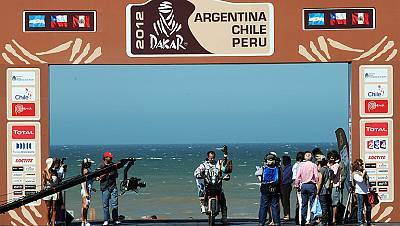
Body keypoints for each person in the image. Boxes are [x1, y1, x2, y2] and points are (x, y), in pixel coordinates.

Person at [194, 147, 231, 225]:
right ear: (208, 157)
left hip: (217, 184)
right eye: (210, 158)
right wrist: (198, 174)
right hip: (208, 185)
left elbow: (224, 167)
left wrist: (225, 176)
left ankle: (224, 217)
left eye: (213, 157)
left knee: (223, 200)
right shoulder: (204, 165)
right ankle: (203, 204)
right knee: (201, 191)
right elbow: (197, 171)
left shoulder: (218, 163)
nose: (212, 159)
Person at [256, 153, 282, 226]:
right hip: (275, 189)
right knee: (275, 206)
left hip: (265, 188)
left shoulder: (264, 168)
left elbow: (258, 175)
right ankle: (277, 222)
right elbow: (280, 179)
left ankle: (261, 222)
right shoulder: (278, 169)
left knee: (263, 206)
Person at [295, 151, 319, 226]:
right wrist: (317, 185)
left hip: (304, 185)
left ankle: (303, 219)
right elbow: (316, 176)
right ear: (311, 157)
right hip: (311, 185)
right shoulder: (314, 165)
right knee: (312, 203)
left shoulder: (301, 165)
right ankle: (312, 219)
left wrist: (297, 186)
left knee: (303, 204)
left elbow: (297, 177)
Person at [98, 151, 120, 226]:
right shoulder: (101, 166)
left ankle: (115, 219)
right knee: (105, 205)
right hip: (104, 187)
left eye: (111, 157)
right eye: (109, 157)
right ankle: (106, 220)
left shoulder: (113, 165)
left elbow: (116, 175)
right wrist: (106, 173)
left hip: (113, 186)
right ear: (105, 157)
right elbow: (99, 177)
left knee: (115, 204)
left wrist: (112, 173)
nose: (111, 158)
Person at [352, 159, 372, 226]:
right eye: (360, 165)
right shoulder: (355, 173)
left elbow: (367, 181)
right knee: (360, 208)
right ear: (357, 166)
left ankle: (369, 222)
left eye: (362, 164)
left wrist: (370, 188)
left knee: (368, 207)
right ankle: (360, 222)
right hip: (360, 192)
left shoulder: (362, 172)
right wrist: (363, 173)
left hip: (366, 192)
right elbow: (360, 180)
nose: (362, 166)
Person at [42, 158, 59, 226]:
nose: (53, 165)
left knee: (54, 208)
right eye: (52, 163)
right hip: (47, 190)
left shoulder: (54, 171)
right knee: (48, 208)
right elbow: (50, 180)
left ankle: (53, 222)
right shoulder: (44, 172)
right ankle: (48, 223)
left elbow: (57, 181)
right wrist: (47, 171)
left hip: (54, 190)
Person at [328, 150, 343, 225]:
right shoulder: (327, 165)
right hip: (328, 186)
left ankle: (334, 218)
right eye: (331, 158)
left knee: (334, 203)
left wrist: (328, 168)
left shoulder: (336, 165)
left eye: (333, 158)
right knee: (328, 203)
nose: (332, 159)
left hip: (335, 186)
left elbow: (332, 175)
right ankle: (329, 217)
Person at [316, 157, 332, 226]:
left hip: (322, 190)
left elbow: (320, 181)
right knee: (328, 205)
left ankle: (324, 221)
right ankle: (329, 221)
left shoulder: (322, 170)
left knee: (323, 206)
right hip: (328, 190)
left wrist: (317, 191)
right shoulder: (329, 169)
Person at [81, 158, 96, 226]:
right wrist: (86, 191)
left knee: (86, 206)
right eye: (89, 163)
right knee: (85, 206)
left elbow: (89, 182)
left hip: (88, 189)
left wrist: (92, 188)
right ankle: (84, 221)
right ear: (86, 163)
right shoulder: (85, 170)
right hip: (85, 190)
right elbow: (84, 182)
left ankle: (84, 221)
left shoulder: (87, 170)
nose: (91, 164)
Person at [292, 152, 304, 225]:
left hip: (299, 185)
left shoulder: (296, 165)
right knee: (303, 203)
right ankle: (301, 218)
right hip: (302, 185)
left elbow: (294, 177)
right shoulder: (300, 165)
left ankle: (298, 219)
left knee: (299, 203)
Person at [281, 155, 293, 221]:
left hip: (286, 185)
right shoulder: (285, 167)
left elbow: (285, 177)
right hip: (283, 185)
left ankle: (287, 214)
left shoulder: (290, 168)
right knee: (284, 200)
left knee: (285, 200)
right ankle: (286, 214)